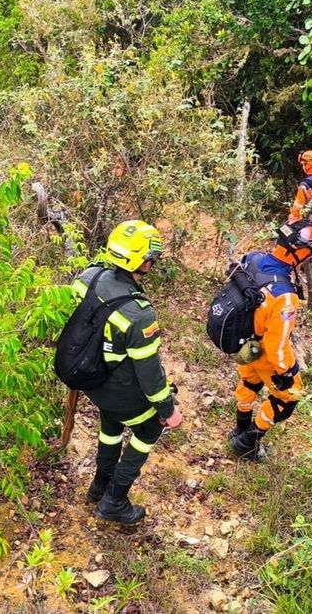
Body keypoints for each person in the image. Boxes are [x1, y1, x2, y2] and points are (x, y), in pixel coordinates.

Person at [70, 220, 182, 526]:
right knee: (148, 429)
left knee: (111, 423)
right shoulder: (139, 313)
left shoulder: (87, 277)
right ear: (142, 262)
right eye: (150, 259)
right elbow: (150, 378)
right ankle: (115, 499)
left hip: (91, 380)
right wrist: (167, 410)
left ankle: (99, 485)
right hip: (116, 387)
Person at [229, 220, 312, 460]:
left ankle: (239, 428)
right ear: (299, 251)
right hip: (262, 349)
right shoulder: (284, 297)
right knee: (289, 396)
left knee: (249, 383)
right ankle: (247, 441)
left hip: (245, 342)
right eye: (310, 251)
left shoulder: (252, 259)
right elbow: (277, 345)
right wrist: (286, 372)